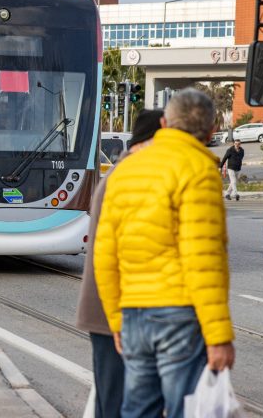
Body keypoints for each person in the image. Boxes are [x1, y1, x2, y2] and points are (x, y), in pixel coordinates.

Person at [94, 89, 235, 418]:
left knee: (138, 410)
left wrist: (117, 320)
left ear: (164, 122)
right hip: (178, 315)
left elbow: (105, 255)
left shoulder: (125, 170)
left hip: (133, 316)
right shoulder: (198, 169)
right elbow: (204, 259)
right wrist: (219, 337)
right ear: (211, 129)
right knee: (184, 408)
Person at [76, 109, 163, 418]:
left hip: (115, 313)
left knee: (112, 399)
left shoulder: (128, 172)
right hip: (113, 315)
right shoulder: (128, 177)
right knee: (115, 401)